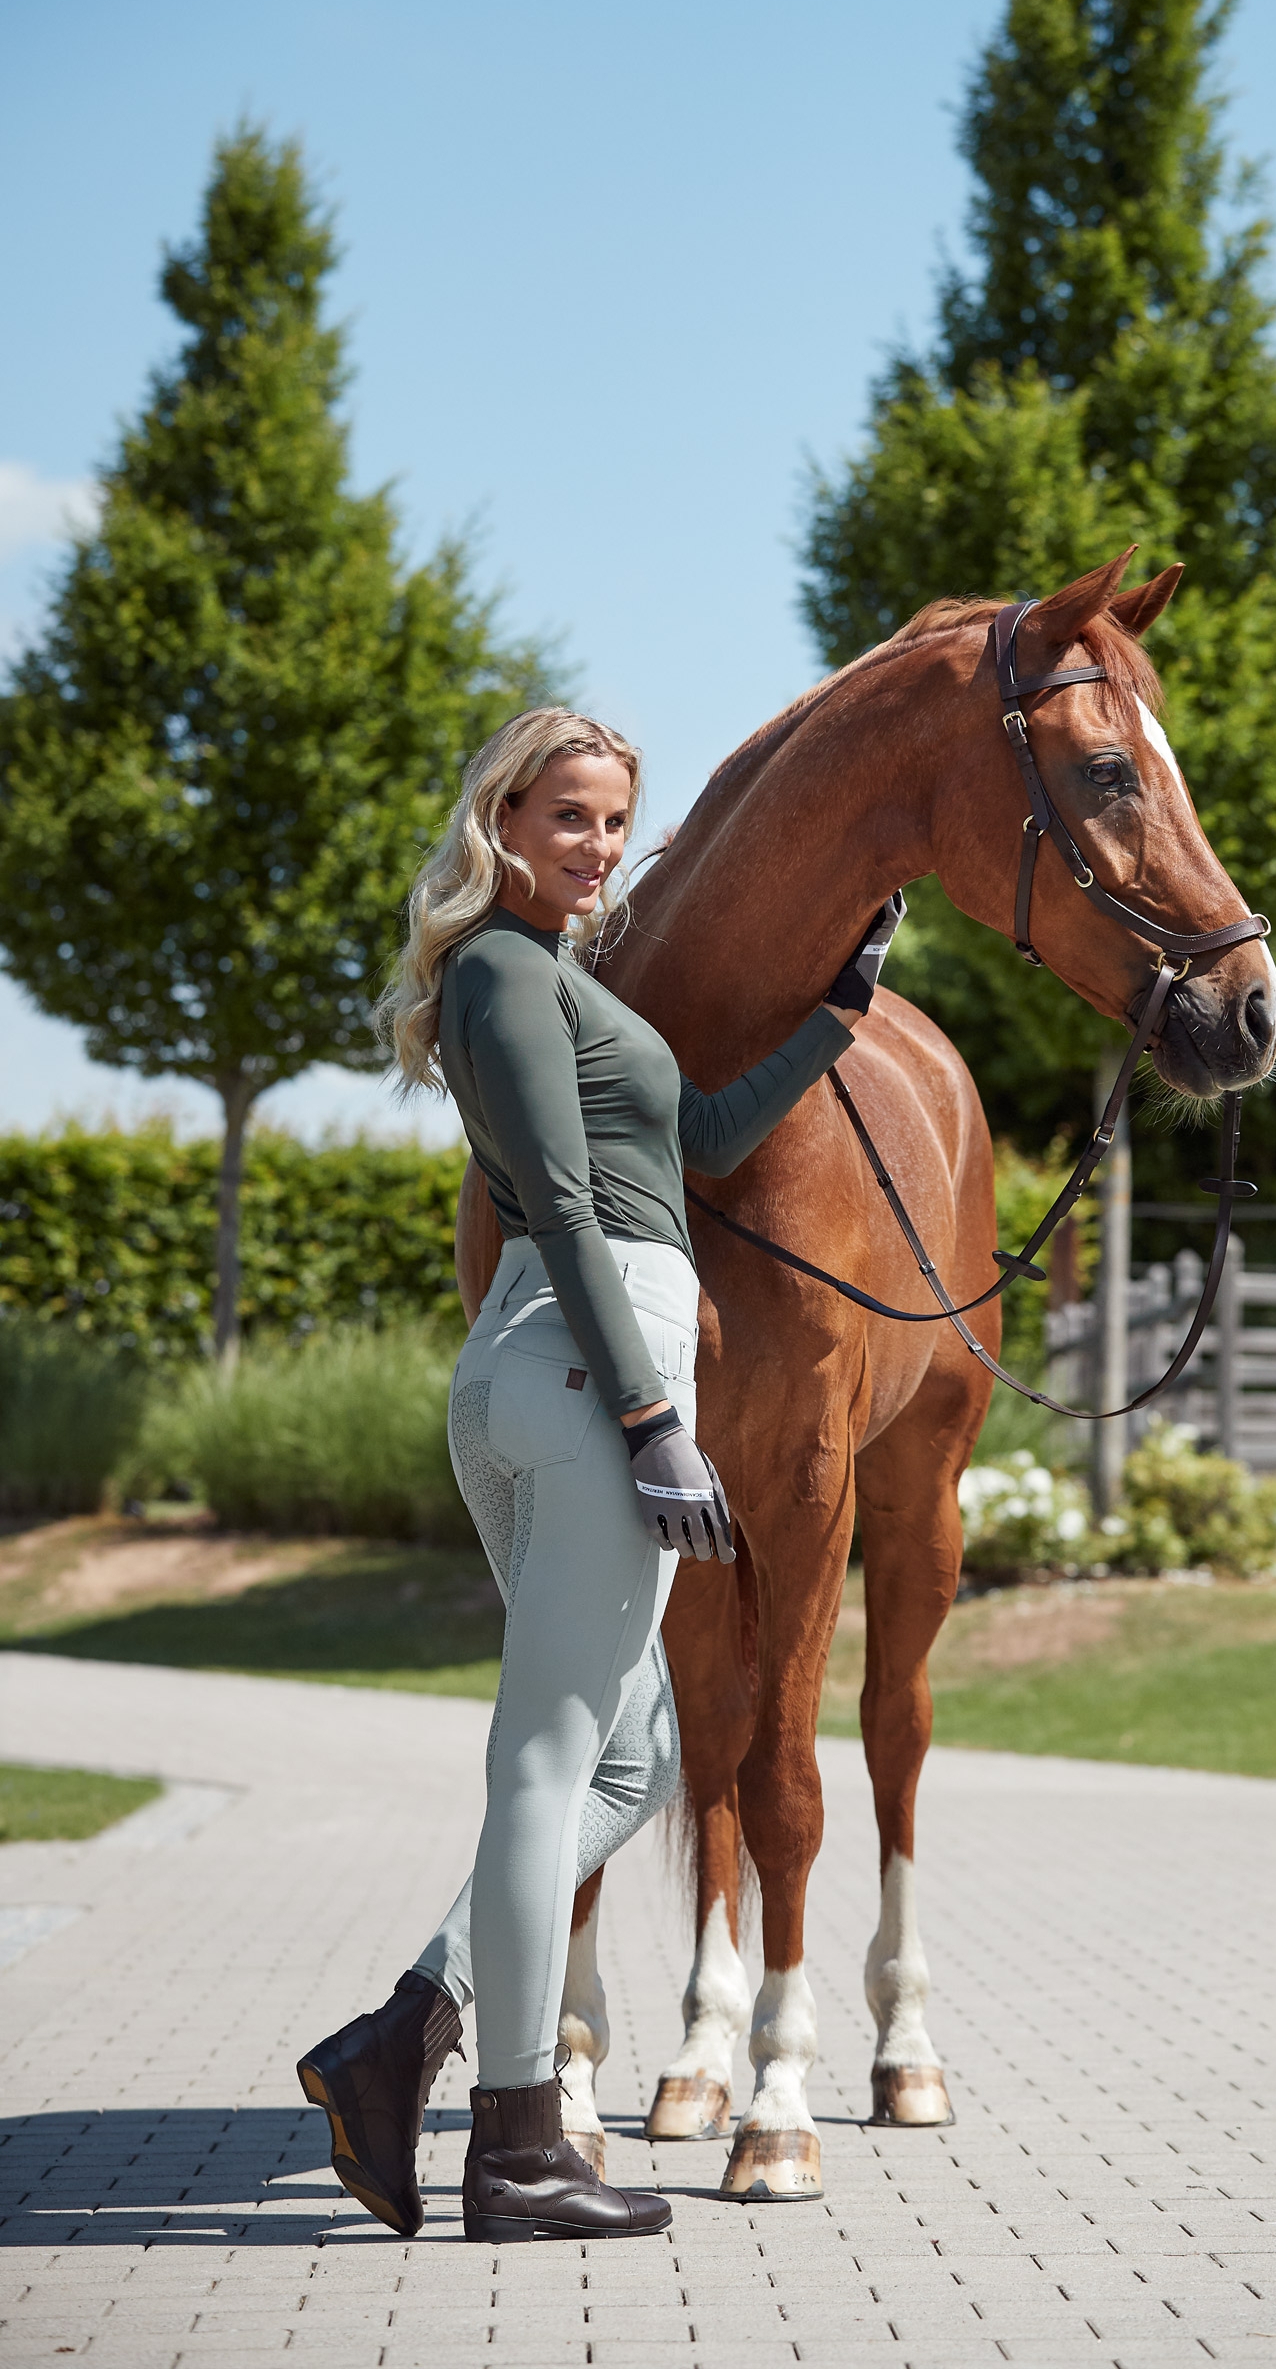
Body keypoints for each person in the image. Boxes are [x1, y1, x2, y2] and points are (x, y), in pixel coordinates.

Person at [296, 707, 903, 2243]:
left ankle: (404, 2036)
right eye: (568, 816)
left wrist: (839, 1018)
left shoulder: (558, 981)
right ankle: (512, 2147)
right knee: (551, 1761)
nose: (600, 849)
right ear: (499, 817)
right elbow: (562, 1206)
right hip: (585, 1357)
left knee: (628, 1748)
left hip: (570, 1357)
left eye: (617, 822)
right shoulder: (497, 971)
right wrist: (650, 1418)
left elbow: (687, 1137)